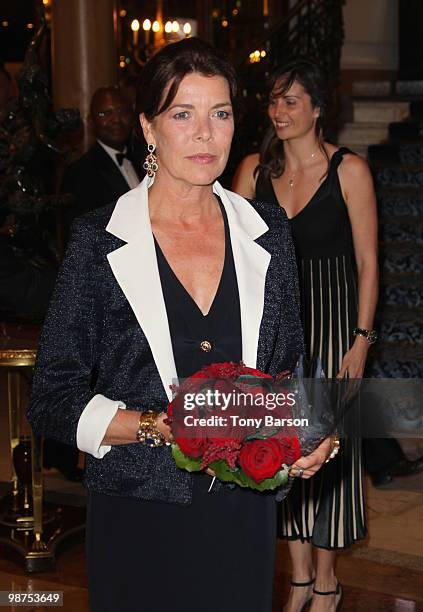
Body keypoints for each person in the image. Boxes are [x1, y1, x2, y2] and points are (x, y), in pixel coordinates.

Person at [27, 40, 335, 612]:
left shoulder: (267, 230)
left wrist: (312, 427)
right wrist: (160, 426)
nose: (204, 134)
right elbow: (51, 398)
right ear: (149, 127)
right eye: (182, 114)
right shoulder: (100, 240)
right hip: (139, 508)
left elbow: (290, 368)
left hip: (242, 508)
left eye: (219, 114)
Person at [233, 58, 379, 612]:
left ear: (318, 108)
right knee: (277, 444)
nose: (279, 110)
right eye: (274, 99)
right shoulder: (251, 169)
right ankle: (297, 578)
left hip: (336, 320)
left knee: (330, 450)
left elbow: (368, 262)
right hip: (275, 325)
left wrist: (362, 338)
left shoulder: (350, 170)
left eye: (292, 100)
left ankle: (326, 580)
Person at [61, 86, 143, 234]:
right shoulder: (79, 173)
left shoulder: (145, 162)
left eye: (123, 112)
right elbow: (79, 235)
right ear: (91, 121)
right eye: (105, 113)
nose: (116, 120)